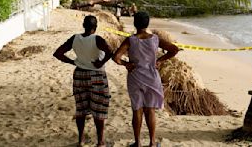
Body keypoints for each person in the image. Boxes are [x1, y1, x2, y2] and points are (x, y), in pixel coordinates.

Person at [113, 11, 179, 147]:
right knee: (150, 110)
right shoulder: (155, 39)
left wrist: (127, 64)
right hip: (152, 77)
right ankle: (152, 143)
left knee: (137, 109)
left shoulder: (130, 40)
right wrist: (160, 60)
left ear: (135, 23)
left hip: (135, 76)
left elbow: (116, 57)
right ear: (147, 23)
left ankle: (137, 143)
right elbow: (174, 49)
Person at [53, 15, 112, 147]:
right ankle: (100, 142)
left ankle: (80, 140)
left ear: (83, 26)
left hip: (79, 75)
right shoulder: (97, 39)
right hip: (97, 76)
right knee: (99, 110)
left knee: (81, 109)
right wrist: (100, 62)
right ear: (95, 28)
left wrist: (73, 62)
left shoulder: (75, 38)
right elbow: (110, 52)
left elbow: (58, 53)